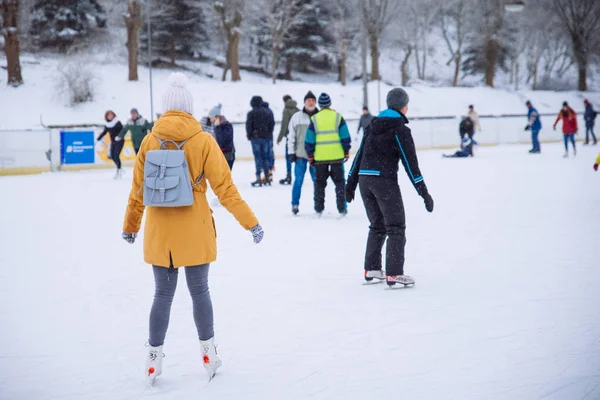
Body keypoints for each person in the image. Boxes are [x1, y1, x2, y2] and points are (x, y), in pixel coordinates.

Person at [121, 72, 264, 384]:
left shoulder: (148, 140)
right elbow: (226, 189)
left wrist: (131, 226)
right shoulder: (203, 140)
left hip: (160, 229)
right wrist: (251, 223)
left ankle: (153, 358)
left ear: (165, 107)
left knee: (162, 293)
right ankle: (208, 353)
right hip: (195, 225)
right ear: (188, 106)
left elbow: (137, 191)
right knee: (199, 291)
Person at [346, 88, 434, 287]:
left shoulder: (372, 125)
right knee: (395, 226)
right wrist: (424, 193)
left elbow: (358, 156)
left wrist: (350, 184)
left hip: (364, 180)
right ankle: (394, 273)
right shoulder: (399, 129)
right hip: (383, 181)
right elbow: (411, 164)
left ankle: (372, 268)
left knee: (377, 225)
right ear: (404, 106)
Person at [305, 93, 351, 216]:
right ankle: (342, 208)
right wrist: (346, 151)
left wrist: (310, 155)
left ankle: (319, 209)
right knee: (340, 183)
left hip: (320, 158)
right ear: (330, 104)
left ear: (319, 104)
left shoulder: (314, 119)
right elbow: (345, 136)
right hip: (337, 157)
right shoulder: (338, 117)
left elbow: (309, 139)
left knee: (319, 184)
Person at [288, 91, 318, 215]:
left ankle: (318, 204)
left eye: (312, 100)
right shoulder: (296, 117)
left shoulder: (319, 117)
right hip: (300, 155)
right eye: (308, 100)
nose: (310, 102)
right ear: (304, 102)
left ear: (315, 102)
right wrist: (291, 152)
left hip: (316, 156)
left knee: (317, 181)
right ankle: (295, 204)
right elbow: (291, 136)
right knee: (298, 180)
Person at [246, 96, 275, 186]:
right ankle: (267, 176)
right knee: (265, 157)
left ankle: (258, 177)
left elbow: (249, 125)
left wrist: (249, 135)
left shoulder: (251, 113)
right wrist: (268, 133)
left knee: (258, 157)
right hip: (266, 137)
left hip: (256, 138)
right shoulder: (267, 112)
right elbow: (272, 123)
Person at [277, 95, 300, 185]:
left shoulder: (286, 110)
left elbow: (284, 125)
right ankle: (298, 175)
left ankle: (289, 175)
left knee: (288, 157)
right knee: (298, 158)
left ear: (284, 101)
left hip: (290, 137)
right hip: (298, 137)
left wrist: (279, 138)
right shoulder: (298, 110)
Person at [97, 110, 125, 179]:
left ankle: (119, 170)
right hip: (113, 141)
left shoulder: (117, 122)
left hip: (119, 140)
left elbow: (123, 130)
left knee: (116, 155)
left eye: (111, 115)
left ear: (114, 115)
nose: (110, 116)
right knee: (112, 156)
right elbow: (105, 132)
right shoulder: (107, 124)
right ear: (106, 117)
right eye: (108, 115)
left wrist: (119, 136)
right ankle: (119, 168)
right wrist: (98, 138)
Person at [211, 105, 235, 170]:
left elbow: (223, 140)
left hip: (228, 154)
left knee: (225, 175)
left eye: (212, 117)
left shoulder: (227, 126)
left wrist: (218, 127)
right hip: (221, 154)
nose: (211, 120)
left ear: (217, 117)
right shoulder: (216, 127)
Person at [262, 100, 276, 182]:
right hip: (270, 135)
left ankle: (267, 173)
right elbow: (272, 123)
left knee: (265, 154)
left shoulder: (263, 112)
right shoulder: (270, 111)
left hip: (264, 136)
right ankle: (270, 171)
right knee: (270, 152)